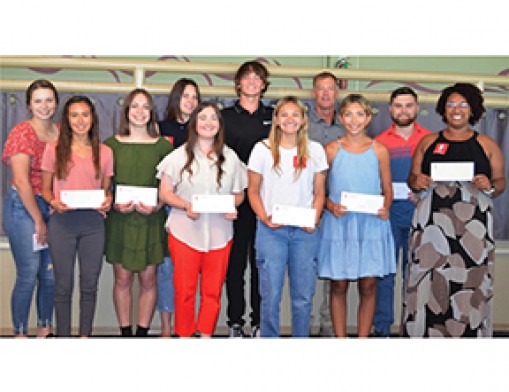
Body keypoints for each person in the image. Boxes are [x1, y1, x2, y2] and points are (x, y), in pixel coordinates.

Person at [402, 83, 506, 337]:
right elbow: (412, 178)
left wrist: (489, 185)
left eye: (463, 104)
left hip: (474, 229)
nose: (456, 110)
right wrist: (417, 181)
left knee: (470, 282)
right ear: (443, 110)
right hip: (431, 229)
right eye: (450, 104)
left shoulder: (487, 144)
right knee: (427, 280)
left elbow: (501, 182)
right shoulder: (428, 142)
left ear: (473, 110)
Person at [157, 102, 247, 337]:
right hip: (184, 232)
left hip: (220, 234)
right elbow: (165, 192)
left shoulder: (231, 157)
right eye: (203, 118)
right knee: (184, 291)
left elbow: (239, 193)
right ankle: (185, 335)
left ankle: (206, 334)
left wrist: (233, 206)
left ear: (220, 125)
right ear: (194, 124)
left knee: (212, 291)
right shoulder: (178, 156)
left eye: (214, 118)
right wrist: (186, 205)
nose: (208, 123)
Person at [247, 96, 327, 337]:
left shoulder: (315, 150)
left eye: (295, 114)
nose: (290, 119)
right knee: (270, 296)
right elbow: (252, 191)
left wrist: (313, 219)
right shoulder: (262, 150)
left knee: (303, 297)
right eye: (284, 114)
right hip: (271, 232)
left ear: (303, 120)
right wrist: (265, 218)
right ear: (276, 120)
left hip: (304, 234)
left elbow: (320, 192)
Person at [318, 94, 396, 338]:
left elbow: (388, 189)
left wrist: (386, 207)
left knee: (369, 284)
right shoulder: (330, 150)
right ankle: (341, 339)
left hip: (371, 224)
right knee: (338, 284)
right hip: (341, 224)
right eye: (349, 114)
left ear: (368, 118)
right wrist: (330, 206)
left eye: (360, 114)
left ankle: (362, 340)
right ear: (341, 118)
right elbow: (319, 190)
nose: (354, 120)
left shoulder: (379, 150)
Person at [41, 96, 113, 337]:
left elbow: (106, 190)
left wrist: (108, 201)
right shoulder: (53, 150)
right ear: (67, 119)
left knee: (89, 285)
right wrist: (53, 202)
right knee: (63, 286)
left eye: (85, 114)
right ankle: (63, 337)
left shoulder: (105, 152)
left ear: (93, 119)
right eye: (74, 115)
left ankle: (84, 336)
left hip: (93, 224)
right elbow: (45, 189)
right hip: (62, 223)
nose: (80, 120)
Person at [104, 88, 173, 337]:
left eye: (145, 107)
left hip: (151, 221)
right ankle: (125, 333)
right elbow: (103, 186)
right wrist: (111, 203)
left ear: (152, 112)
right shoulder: (110, 146)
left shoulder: (164, 147)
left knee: (148, 281)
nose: (140, 112)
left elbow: (171, 188)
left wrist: (159, 204)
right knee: (122, 281)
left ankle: (142, 334)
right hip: (120, 221)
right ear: (126, 111)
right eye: (135, 106)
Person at [372, 87, 431, 337]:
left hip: (421, 214)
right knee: (385, 275)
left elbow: (438, 179)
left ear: (417, 108)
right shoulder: (379, 142)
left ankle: (413, 329)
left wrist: (425, 193)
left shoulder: (430, 139)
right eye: (398, 105)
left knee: (416, 276)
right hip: (386, 216)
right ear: (390, 109)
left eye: (409, 105)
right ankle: (382, 328)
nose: (403, 110)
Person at [2, 79, 59, 338]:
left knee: (49, 275)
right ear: (28, 105)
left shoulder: (61, 132)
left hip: (52, 206)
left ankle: (44, 328)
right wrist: (39, 220)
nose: (44, 106)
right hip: (24, 207)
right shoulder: (22, 132)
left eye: (49, 100)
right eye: (38, 101)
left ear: (56, 103)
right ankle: (20, 333)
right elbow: (23, 181)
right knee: (28, 273)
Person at [222, 60, 273, 338]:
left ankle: (258, 322)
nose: (252, 81)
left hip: (265, 201)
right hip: (235, 201)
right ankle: (235, 322)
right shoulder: (225, 116)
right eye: (247, 77)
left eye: (257, 77)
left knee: (260, 265)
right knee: (235, 264)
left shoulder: (275, 116)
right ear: (238, 83)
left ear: (264, 85)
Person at [156, 78, 201, 337]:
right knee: (167, 269)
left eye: (195, 97)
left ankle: (188, 326)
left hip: (199, 210)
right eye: (186, 96)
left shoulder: (206, 129)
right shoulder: (161, 128)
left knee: (192, 272)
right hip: (169, 207)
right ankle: (166, 328)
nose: (191, 102)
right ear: (176, 99)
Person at [307, 71, 345, 337]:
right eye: (321, 89)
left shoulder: (348, 124)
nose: (325, 94)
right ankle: (306, 324)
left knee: (334, 271)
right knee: (307, 267)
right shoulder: (301, 124)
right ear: (313, 93)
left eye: (330, 89)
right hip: (307, 206)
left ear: (337, 93)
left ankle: (328, 325)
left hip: (339, 208)